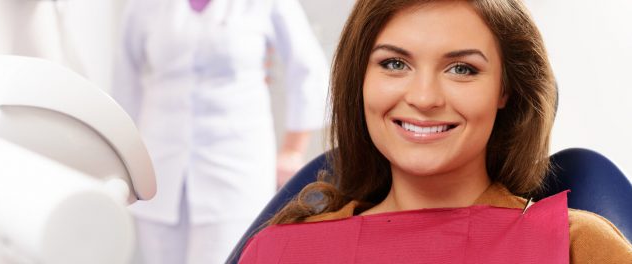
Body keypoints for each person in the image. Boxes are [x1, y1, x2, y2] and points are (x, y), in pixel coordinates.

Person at [239, 0, 632, 263]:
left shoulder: (578, 246)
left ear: (505, 90)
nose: (424, 98)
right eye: (394, 64)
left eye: (461, 69)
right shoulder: (281, 251)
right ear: (359, 80)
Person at [111, 0, 328, 263]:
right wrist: (122, 158)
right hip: (159, 166)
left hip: (235, 170)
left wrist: (293, 149)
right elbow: (124, 83)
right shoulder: (144, 6)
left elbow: (308, 67)